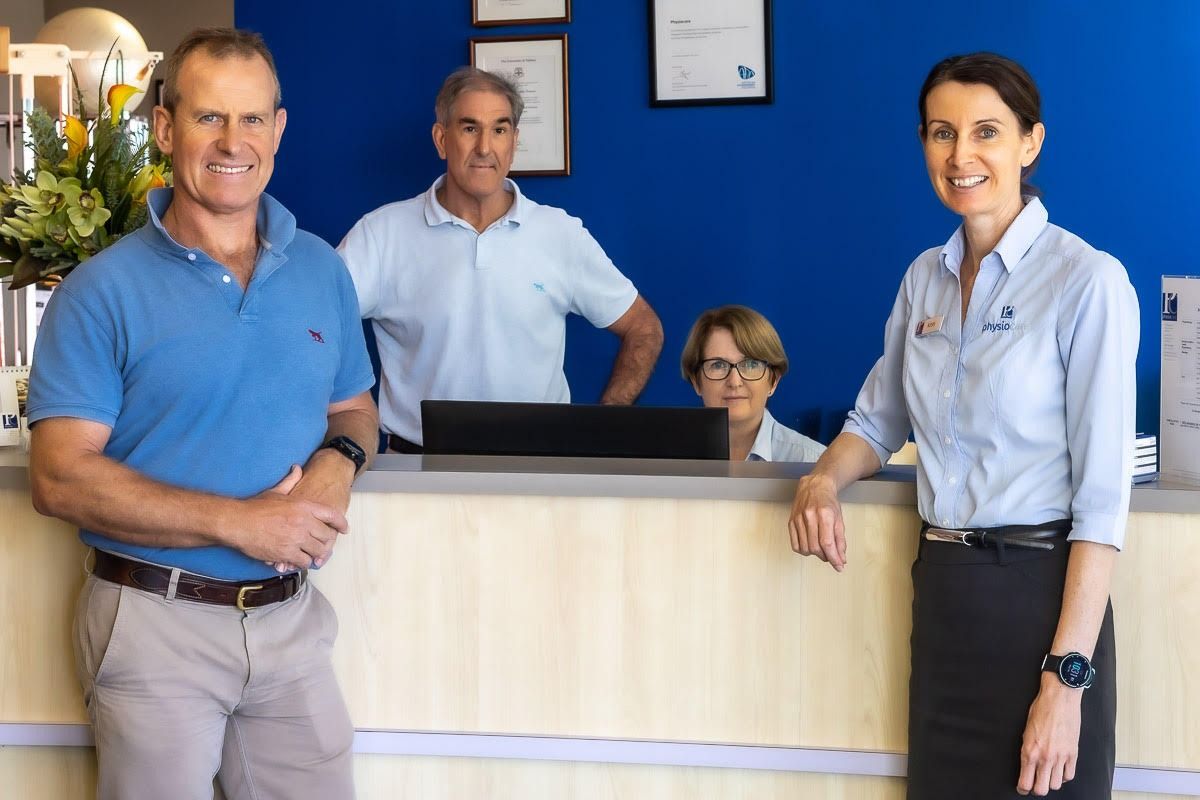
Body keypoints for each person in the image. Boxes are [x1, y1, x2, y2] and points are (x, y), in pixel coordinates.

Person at [26, 27, 377, 800]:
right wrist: (237, 522)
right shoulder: (100, 290)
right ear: (164, 127)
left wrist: (336, 464)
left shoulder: (322, 269)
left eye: (253, 119)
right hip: (156, 621)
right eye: (209, 117)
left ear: (278, 130)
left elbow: (354, 409)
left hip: (290, 624)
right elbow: (57, 480)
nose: (233, 142)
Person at [787, 53, 1137, 799]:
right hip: (946, 594)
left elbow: (1102, 505)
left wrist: (1066, 682)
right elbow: (876, 421)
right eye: (942, 133)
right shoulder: (924, 277)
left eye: (986, 131)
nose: (961, 155)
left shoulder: (1087, 281)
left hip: (1043, 602)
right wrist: (823, 478)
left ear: (1030, 143)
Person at [337, 67, 664, 452]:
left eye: (499, 129)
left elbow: (644, 328)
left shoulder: (560, 234)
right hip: (417, 470)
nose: (485, 148)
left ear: (514, 141)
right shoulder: (380, 235)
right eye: (470, 128)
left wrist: (608, 420)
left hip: (539, 469)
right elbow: (313, 331)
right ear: (442, 140)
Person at [680, 305, 824, 462]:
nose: (734, 382)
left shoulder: (814, 463)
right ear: (696, 382)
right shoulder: (667, 460)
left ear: (773, 381)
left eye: (750, 365)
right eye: (718, 365)